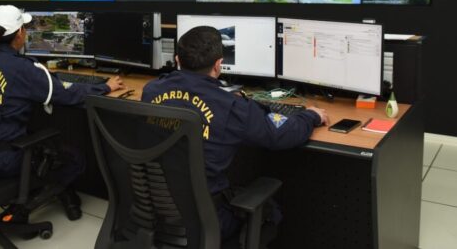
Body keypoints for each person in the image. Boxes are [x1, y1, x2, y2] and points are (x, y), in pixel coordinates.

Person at [140, 26, 329, 241]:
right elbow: (281, 135)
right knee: (269, 212)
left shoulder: (151, 90)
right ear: (218, 65)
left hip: (153, 213)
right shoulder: (230, 105)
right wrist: (311, 116)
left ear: (177, 60)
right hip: (208, 220)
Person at [0, 5, 124, 220]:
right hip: (7, 158)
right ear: (20, 33)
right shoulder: (24, 68)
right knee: (75, 158)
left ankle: (32, 191)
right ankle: (25, 206)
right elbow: (66, 95)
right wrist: (105, 86)